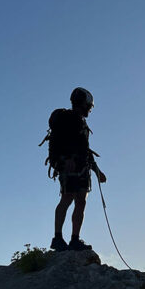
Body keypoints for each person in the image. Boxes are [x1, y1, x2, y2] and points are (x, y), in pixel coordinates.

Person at [50, 87, 107, 251]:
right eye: (89, 105)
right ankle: (61, 238)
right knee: (69, 199)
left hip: (79, 167)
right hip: (71, 167)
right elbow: (74, 147)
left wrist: (97, 171)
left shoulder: (79, 122)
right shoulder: (71, 121)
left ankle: (71, 239)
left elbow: (85, 150)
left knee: (79, 201)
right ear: (83, 104)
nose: (90, 108)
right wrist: (66, 160)